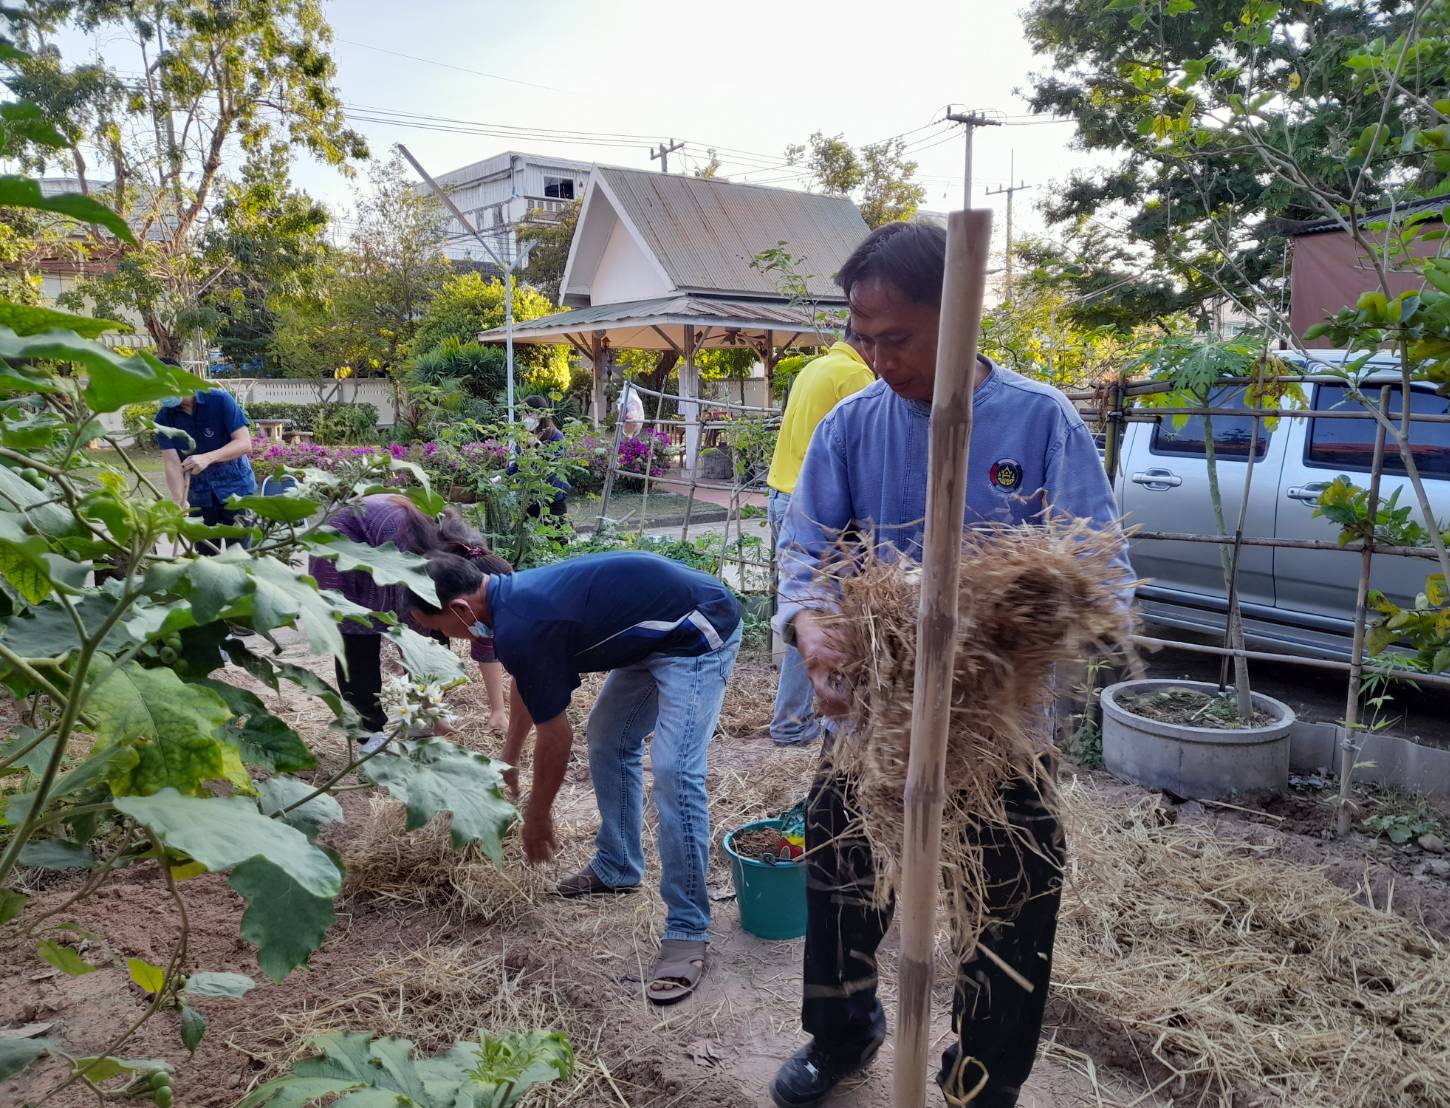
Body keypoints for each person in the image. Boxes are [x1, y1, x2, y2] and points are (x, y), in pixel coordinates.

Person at [768, 222, 1133, 1108]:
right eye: (862, 337)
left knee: (1016, 889)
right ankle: (843, 1032)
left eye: (895, 338)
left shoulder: (1038, 420)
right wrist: (811, 628)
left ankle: (982, 1076)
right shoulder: (852, 427)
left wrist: (1011, 631)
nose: (876, 357)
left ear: (959, 316)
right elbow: (805, 549)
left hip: (1001, 727)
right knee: (840, 860)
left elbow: (1103, 576)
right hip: (876, 718)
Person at [408, 549, 741, 1006]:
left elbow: (556, 735)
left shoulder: (522, 620)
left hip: (697, 630)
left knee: (674, 771)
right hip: (651, 636)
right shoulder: (507, 606)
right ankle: (618, 865)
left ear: (462, 609)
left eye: (440, 629)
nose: (448, 640)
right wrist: (509, 763)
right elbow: (530, 685)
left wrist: (538, 815)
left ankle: (687, 927)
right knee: (607, 739)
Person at [308, 494, 513, 748]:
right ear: (464, 601)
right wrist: (434, 715)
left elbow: (484, 638)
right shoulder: (418, 563)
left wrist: (498, 710)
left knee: (436, 634)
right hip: (343, 551)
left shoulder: (472, 565)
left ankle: (419, 712)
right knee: (359, 643)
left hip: (392, 554)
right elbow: (415, 641)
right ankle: (368, 733)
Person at [764, 327, 873, 746]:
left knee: (804, 610)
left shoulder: (816, 367)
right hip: (819, 511)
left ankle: (792, 720)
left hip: (782, 496)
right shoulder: (856, 378)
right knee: (818, 616)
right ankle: (793, 722)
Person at [154, 369, 256, 554]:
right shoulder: (164, 418)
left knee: (240, 556)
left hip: (235, 489)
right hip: (198, 495)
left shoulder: (219, 400)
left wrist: (208, 457)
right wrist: (178, 499)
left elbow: (244, 443)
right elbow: (171, 462)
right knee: (207, 558)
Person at [512, 394, 570, 530]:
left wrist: (536, 445)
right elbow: (519, 464)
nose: (525, 418)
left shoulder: (556, 436)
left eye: (529, 413)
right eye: (522, 414)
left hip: (551, 497)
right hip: (529, 497)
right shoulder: (523, 436)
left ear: (541, 414)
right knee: (522, 536)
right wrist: (503, 477)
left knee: (558, 539)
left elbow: (553, 462)